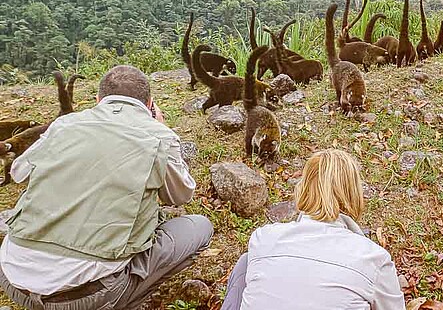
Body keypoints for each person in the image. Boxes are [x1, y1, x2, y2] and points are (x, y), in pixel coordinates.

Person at [0, 65, 213, 310]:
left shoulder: (63, 125)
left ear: (98, 100)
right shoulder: (158, 135)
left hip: (12, 278)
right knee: (200, 228)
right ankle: (127, 300)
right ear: (150, 105)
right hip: (87, 295)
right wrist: (162, 131)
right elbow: (181, 194)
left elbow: (18, 172)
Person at [221, 149, 405, 310]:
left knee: (246, 261)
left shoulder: (263, 238)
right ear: (354, 194)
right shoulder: (374, 259)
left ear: (303, 188)